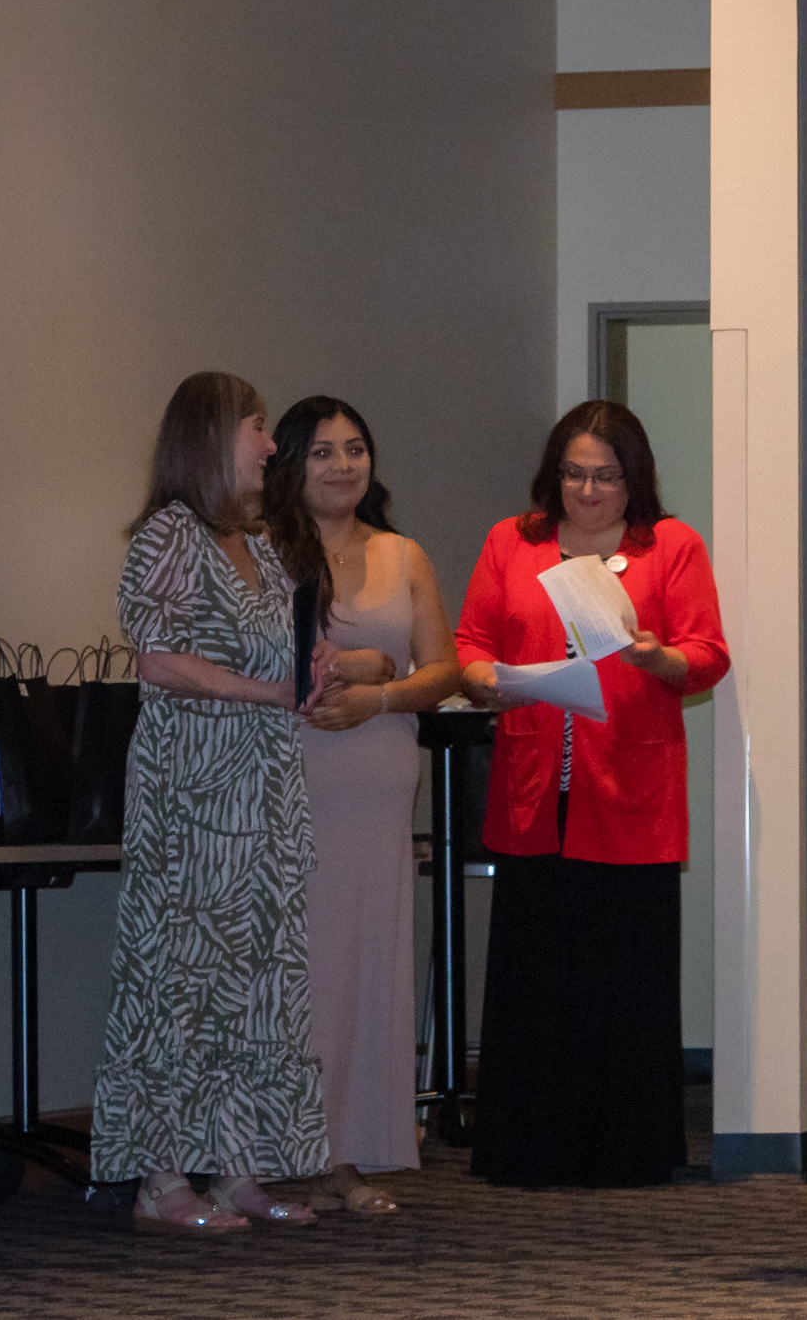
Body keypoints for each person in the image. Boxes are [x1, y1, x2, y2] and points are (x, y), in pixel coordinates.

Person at [455, 400, 729, 1187]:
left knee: (625, 980)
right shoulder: (513, 540)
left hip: (630, 790)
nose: (587, 489)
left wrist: (654, 656)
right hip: (535, 787)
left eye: (605, 475)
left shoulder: (670, 546)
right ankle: (524, 1149)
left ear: (632, 478)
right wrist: (483, 681)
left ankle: (627, 1150)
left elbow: (706, 655)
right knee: (535, 976)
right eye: (574, 472)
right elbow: (473, 641)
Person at [92, 371, 328, 1230]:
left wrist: (312, 673)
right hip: (192, 798)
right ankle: (160, 1180)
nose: (271, 447)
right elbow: (157, 658)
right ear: (210, 438)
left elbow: (279, 652)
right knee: (179, 982)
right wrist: (269, 692)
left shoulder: (255, 544)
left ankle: (236, 1168)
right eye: (257, 428)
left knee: (251, 982)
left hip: (260, 794)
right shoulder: (170, 535)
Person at [262, 395, 461, 1214]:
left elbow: (443, 670)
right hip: (291, 773)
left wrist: (380, 694)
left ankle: (350, 1155)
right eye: (321, 452)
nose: (343, 466)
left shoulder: (404, 553)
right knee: (296, 969)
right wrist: (362, 664)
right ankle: (278, 1150)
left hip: (378, 774)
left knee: (368, 963)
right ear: (288, 466)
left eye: (355, 449)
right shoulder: (262, 552)